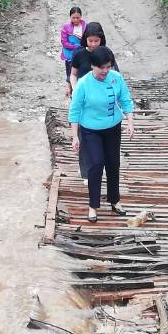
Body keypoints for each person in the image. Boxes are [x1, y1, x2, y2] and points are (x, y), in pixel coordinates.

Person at [69, 47, 135, 223]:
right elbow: (74, 111)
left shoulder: (117, 79)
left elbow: (126, 101)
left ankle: (115, 200)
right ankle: (93, 205)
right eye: (101, 68)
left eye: (108, 67)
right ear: (93, 66)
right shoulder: (83, 84)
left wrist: (130, 122)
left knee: (113, 164)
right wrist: (75, 136)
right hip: (90, 129)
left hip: (113, 127)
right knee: (96, 164)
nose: (105, 71)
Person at [67, 21, 117, 94]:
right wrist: (75, 89)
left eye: (96, 41)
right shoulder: (79, 53)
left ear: (101, 39)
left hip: (102, 93)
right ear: (85, 39)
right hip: (83, 93)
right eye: (90, 41)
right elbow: (73, 74)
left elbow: (113, 74)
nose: (93, 44)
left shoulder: (106, 53)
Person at [59, 7, 85, 91]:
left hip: (82, 54)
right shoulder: (65, 27)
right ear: (70, 17)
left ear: (81, 16)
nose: (76, 20)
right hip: (69, 54)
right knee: (70, 73)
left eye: (78, 17)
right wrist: (76, 47)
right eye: (73, 17)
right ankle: (71, 90)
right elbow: (64, 42)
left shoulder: (85, 26)